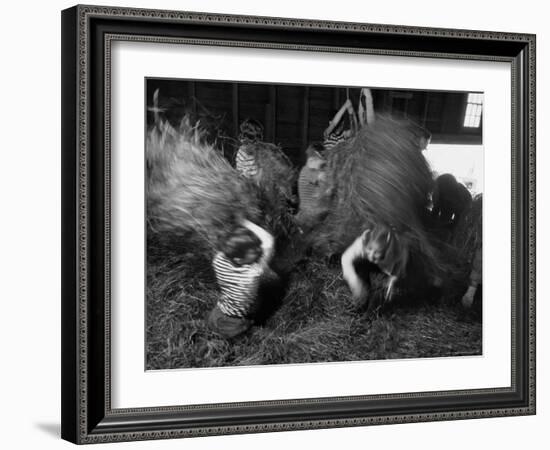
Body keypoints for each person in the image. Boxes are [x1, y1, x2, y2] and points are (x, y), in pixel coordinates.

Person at [208, 218, 276, 338]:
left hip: (218, 312)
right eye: (253, 251)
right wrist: (244, 221)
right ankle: (249, 332)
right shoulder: (251, 274)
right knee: (264, 336)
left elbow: (226, 243)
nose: (259, 250)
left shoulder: (219, 260)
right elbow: (269, 241)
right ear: (238, 259)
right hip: (234, 323)